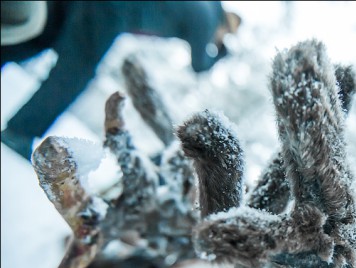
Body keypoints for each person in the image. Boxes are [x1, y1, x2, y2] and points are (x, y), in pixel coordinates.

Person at [1, 1, 241, 161]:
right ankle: (20, 132)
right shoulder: (208, 20)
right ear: (226, 25)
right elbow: (199, 65)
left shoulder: (205, 4)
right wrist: (220, 52)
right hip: (111, 8)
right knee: (76, 71)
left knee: (42, 35)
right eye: (226, 34)